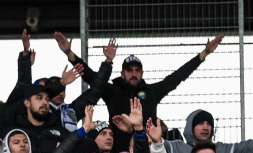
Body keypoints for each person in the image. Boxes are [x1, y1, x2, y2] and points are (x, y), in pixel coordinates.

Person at [55, 31, 225, 120]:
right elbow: (91, 76)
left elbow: (177, 76)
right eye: (129, 70)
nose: (134, 74)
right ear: (122, 73)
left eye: (137, 70)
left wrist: (204, 54)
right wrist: (69, 53)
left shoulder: (152, 91)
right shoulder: (111, 90)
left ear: (142, 73)